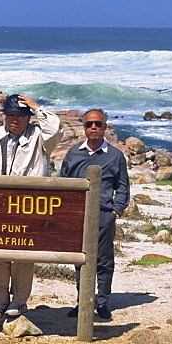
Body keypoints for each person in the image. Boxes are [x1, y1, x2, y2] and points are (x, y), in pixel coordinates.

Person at [0, 93, 62, 323]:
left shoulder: (40, 137)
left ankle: (19, 301)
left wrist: (36, 106)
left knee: (23, 254)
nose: (14, 120)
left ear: (28, 118)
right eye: (9, 116)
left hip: (29, 205)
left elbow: (56, 129)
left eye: (19, 116)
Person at [60, 109, 130, 321]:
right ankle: (84, 302)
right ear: (83, 127)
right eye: (90, 124)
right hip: (78, 216)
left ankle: (102, 302)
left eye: (98, 124)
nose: (94, 128)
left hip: (103, 215)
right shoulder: (73, 153)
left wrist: (115, 210)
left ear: (105, 127)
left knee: (104, 260)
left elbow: (123, 187)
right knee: (81, 260)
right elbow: (64, 183)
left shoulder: (115, 156)